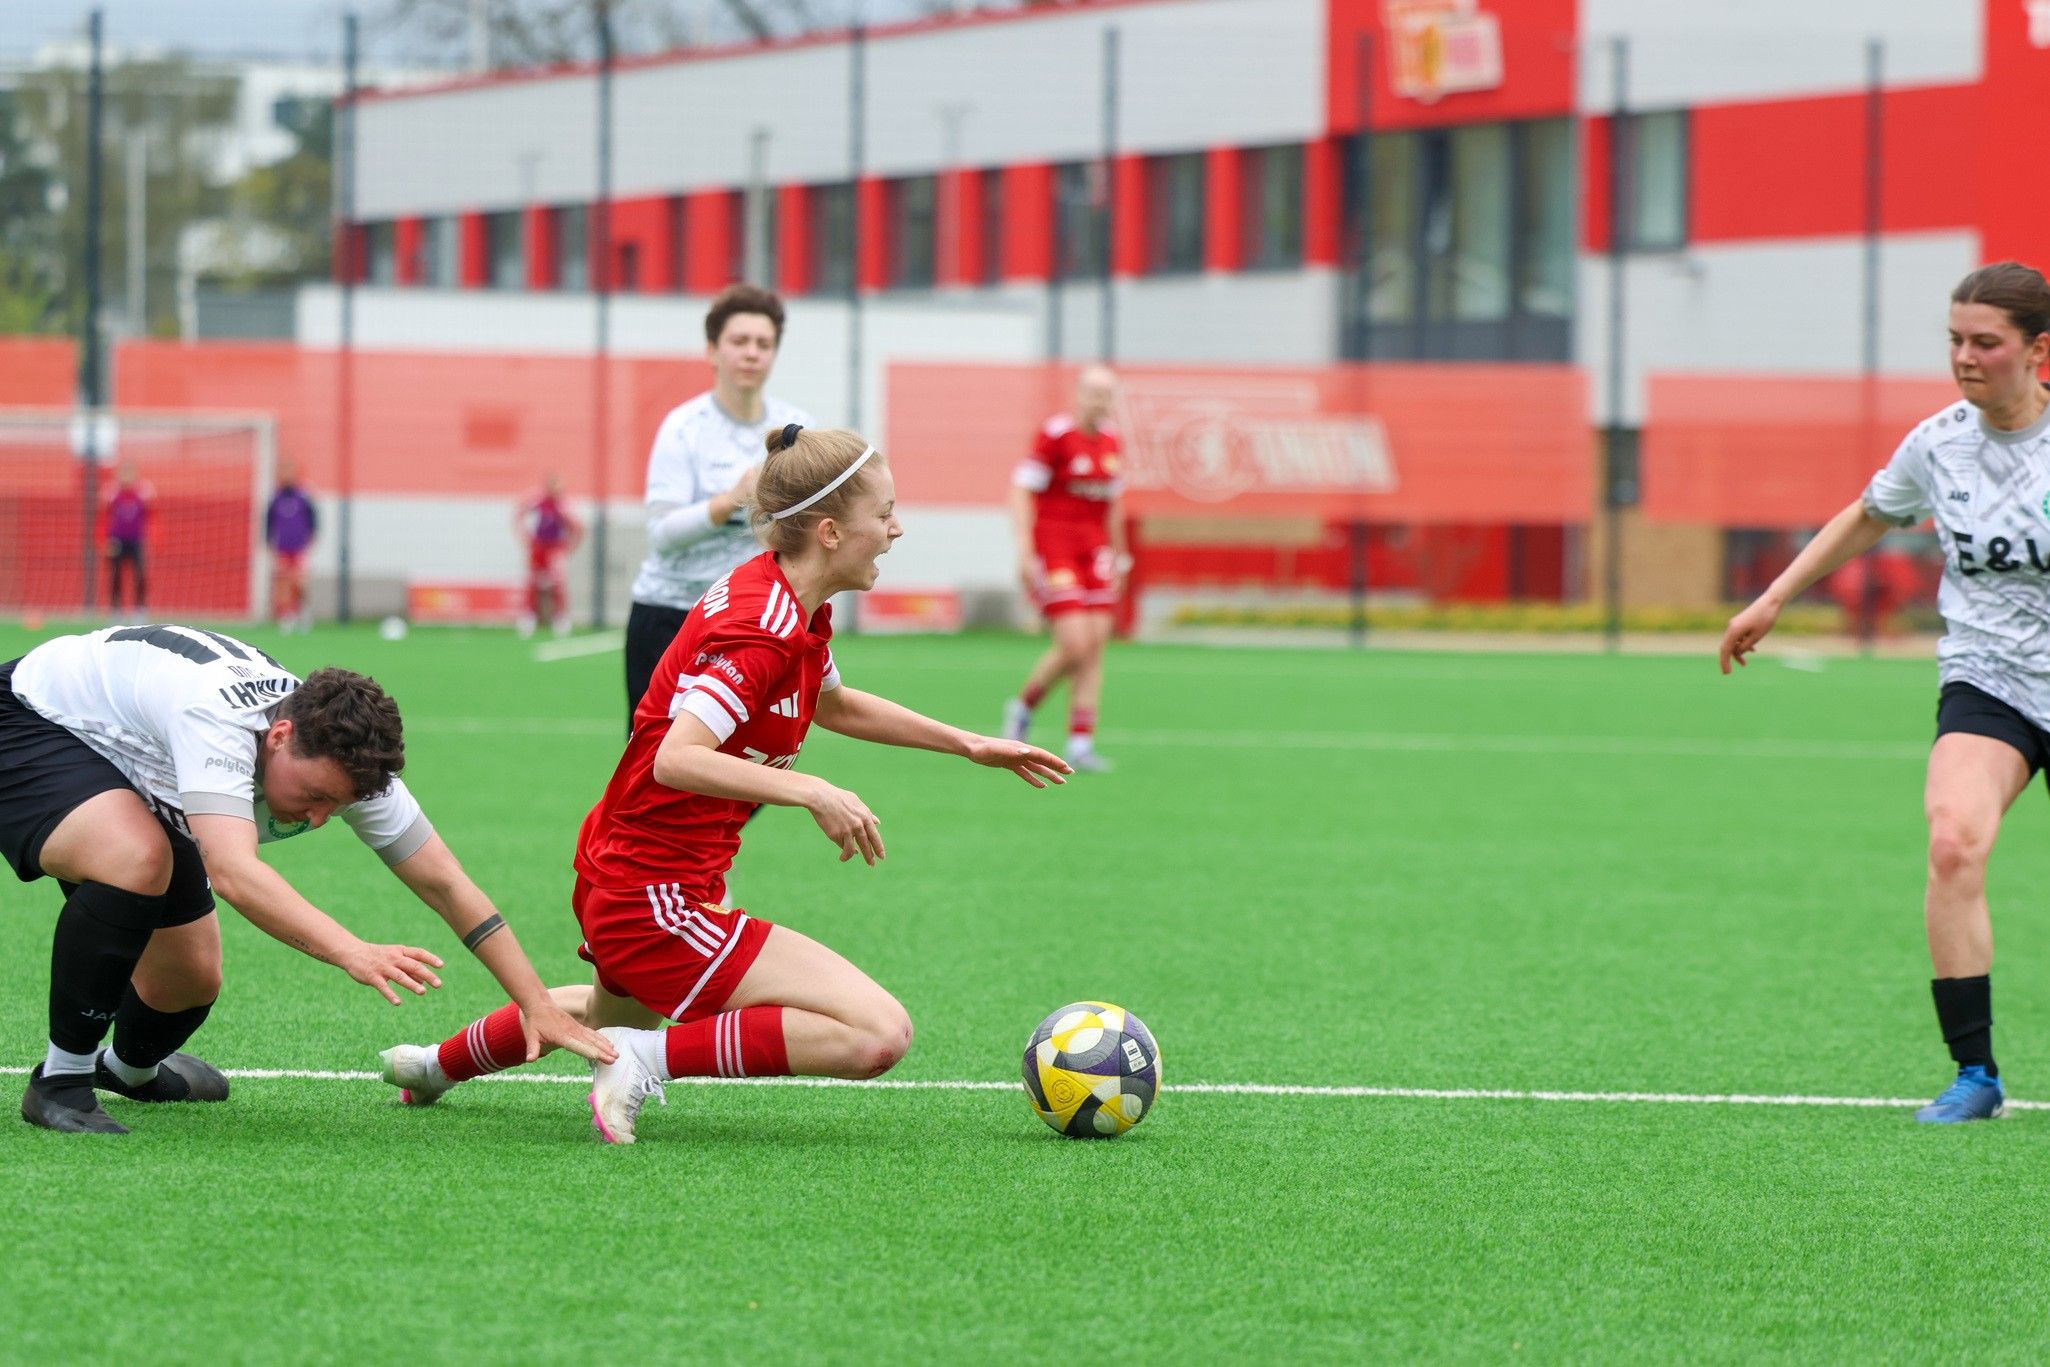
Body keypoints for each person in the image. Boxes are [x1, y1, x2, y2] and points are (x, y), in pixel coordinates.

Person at [378, 425, 1070, 1143]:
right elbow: (677, 756)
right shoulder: (761, 628)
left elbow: (832, 703)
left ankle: (434, 1065)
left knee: (608, 1017)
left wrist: (968, 743)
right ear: (830, 531)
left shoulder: (789, 604)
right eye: (884, 512)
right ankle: (645, 1060)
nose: (897, 528)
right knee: (876, 1033)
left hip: (635, 875)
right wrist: (812, 791)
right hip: (653, 892)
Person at [1, 623, 615, 1134]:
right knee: (137, 859)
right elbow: (237, 874)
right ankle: (61, 1080)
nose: (320, 817)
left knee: (189, 978)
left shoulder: (350, 764)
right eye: (317, 795)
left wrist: (538, 1005)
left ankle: (127, 1071)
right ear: (281, 735)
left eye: (337, 806)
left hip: (141, 757)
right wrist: (352, 951)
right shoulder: (214, 721)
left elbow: (447, 883)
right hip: (33, 721)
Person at [1719, 260, 2050, 1124]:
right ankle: (1974, 1073)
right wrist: (1774, 596)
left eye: (1986, 342)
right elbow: (1868, 513)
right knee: (1952, 844)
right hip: (1992, 681)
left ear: (2038, 350)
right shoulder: (1939, 441)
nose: (1965, 358)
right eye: (1954, 341)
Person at [626, 283, 813, 719]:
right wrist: (731, 500)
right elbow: (662, 535)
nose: (752, 353)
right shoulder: (683, 427)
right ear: (712, 351)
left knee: (749, 757)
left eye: (764, 344)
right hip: (670, 616)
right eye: (739, 341)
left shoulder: (798, 430)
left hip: (754, 620)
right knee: (658, 765)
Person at [1001, 365, 1130, 773]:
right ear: (1078, 394)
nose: (1099, 400)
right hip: (1056, 548)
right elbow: (1021, 489)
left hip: (1095, 552)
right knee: (1074, 643)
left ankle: (1080, 743)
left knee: (1094, 647)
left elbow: (1112, 504)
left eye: (1107, 393)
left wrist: (1121, 555)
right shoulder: (1056, 434)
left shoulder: (1111, 441)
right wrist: (1024, 548)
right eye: (1093, 392)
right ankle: (1022, 709)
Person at [515, 471, 583, 639]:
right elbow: (519, 513)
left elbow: (577, 527)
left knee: (557, 583)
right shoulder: (537, 500)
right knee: (533, 581)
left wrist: (568, 548)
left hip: (555, 548)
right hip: (538, 546)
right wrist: (525, 537)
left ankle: (560, 617)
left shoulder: (564, 504)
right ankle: (529, 617)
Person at [266, 462, 319, 632]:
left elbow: (313, 518)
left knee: (299, 581)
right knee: (283, 582)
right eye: (283, 471)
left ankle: (304, 612)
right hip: (282, 547)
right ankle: (286, 615)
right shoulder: (276, 497)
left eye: (288, 470)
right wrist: (269, 541)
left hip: (298, 547)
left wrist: (312, 536)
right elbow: (268, 522)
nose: (286, 474)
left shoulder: (302, 496)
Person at [103, 463, 152, 614]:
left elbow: (150, 517)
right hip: (116, 541)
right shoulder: (112, 494)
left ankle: (140, 609)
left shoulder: (142, 493)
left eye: (129, 474)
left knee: (139, 574)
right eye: (123, 474)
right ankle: (116, 609)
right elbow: (104, 518)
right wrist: (105, 539)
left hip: (136, 540)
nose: (126, 478)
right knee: (115, 575)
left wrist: (149, 538)